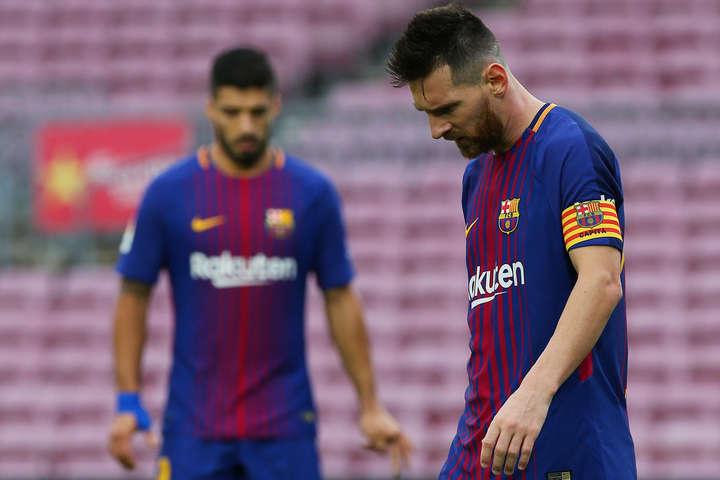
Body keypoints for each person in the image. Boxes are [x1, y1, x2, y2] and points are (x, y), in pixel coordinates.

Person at [108, 47, 412, 480]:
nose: (246, 126)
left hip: (285, 429)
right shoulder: (167, 194)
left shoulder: (312, 193)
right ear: (211, 108)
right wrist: (127, 399)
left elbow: (340, 297)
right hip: (193, 429)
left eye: (256, 111)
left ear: (276, 105)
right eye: (232, 112)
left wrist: (370, 404)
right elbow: (133, 295)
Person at [387, 5, 636, 479]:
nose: (436, 130)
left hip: (567, 443)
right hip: (485, 443)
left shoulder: (572, 149)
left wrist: (533, 394)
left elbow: (602, 282)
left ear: (495, 80)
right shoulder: (476, 178)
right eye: (426, 114)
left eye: (446, 110)